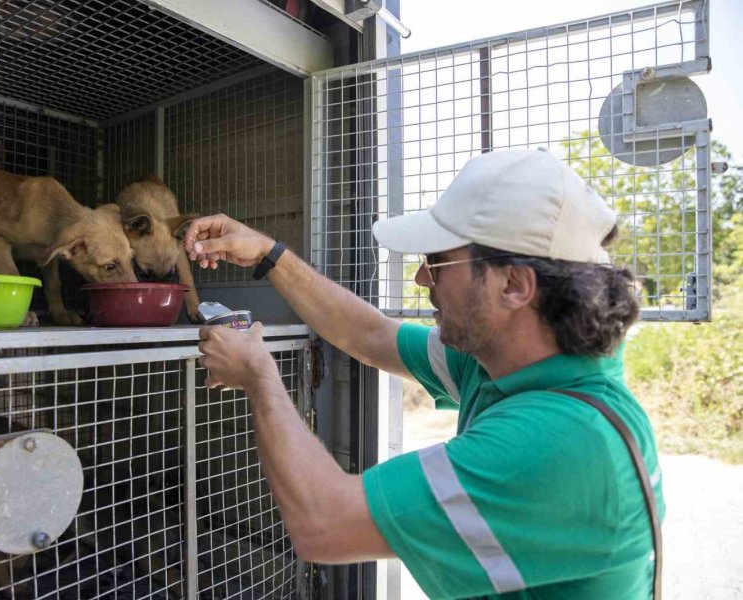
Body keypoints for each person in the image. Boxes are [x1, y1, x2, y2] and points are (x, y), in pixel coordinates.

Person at [185, 149, 664, 599]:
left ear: (514, 285)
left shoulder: (566, 441)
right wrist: (269, 254)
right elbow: (370, 335)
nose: (421, 279)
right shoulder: (509, 365)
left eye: (437, 262)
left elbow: (323, 523)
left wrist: (258, 374)